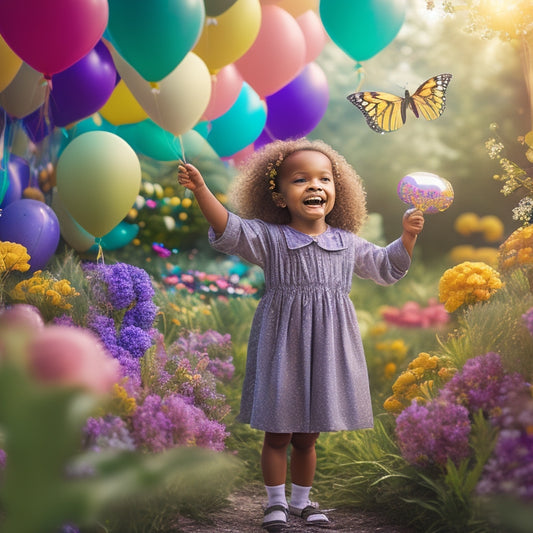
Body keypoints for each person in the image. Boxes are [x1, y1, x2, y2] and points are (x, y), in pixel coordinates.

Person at [177, 138, 424, 531]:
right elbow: (229, 227)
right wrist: (202, 190)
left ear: (336, 192)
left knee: (308, 436)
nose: (314, 186)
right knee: (278, 432)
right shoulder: (272, 239)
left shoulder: (346, 243)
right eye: (300, 179)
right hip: (283, 345)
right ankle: (274, 503)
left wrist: (407, 236)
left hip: (327, 346)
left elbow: (385, 266)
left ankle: (302, 502)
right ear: (278, 196)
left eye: (324, 178)